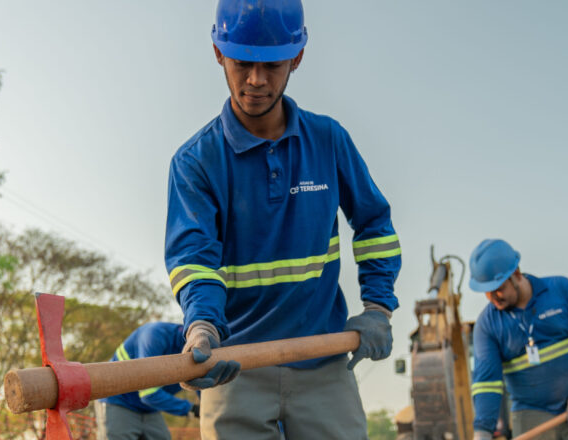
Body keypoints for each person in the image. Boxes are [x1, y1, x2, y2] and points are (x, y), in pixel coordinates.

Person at [164, 1, 402, 438]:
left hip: (323, 360)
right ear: (218, 53)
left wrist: (378, 307)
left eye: (272, 65)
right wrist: (200, 327)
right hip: (235, 366)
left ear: (297, 58)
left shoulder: (328, 140)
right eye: (242, 63)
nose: (256, 80)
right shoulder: (195, 162)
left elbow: (374, 225)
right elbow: (194, 259)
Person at [468, 239, 568, 440]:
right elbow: (487, 383)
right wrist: (482, 430)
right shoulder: (487, 325)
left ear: (516, 274)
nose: (493, 298)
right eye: (487, 292)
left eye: (498, 289)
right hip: (530, 416)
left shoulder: (562, 290)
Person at [99, 322, 200, 440]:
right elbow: (148, 394)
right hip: (119, 402)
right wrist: (191, 409)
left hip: (150, 409)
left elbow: (200, 384)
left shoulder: (201, 350)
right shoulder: (154, 336)